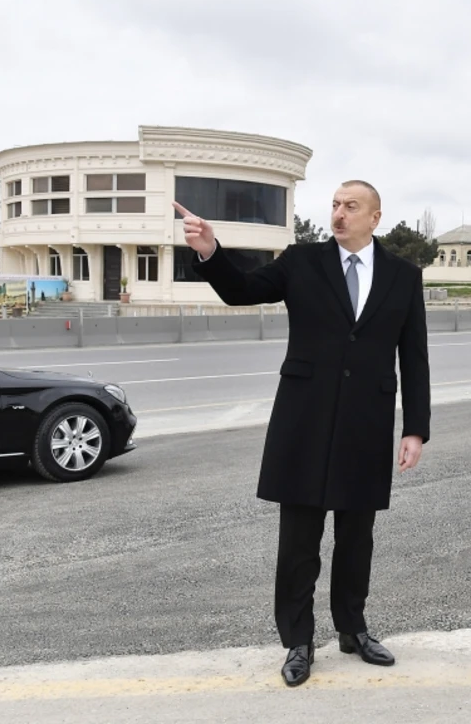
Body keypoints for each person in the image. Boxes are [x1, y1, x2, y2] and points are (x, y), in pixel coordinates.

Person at [174, 179, 430, 687]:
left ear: (375, 217)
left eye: (350, 206)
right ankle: (297, 640)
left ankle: (353, 630)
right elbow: (243, 290)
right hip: (306, 419)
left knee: (358, 536)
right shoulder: (302, 261)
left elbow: (414, 355)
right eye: (334, 204)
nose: (339, 213)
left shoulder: (403, 276)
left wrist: (415, 429)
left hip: (367, 422)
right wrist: (210, 252)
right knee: (299, 539)